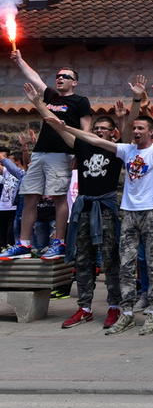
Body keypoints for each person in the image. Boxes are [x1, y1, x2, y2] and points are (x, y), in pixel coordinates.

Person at [51, 105, 153, 335]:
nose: (136, 131)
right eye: (134, 128)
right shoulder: (125, 150)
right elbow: (95, 140)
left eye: (141, 128)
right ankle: (127, 313)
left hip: (152, 213)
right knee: (126, 266)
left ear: (151, 132)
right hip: (128, 213)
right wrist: (67, 127)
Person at [26, 82, 125, 329]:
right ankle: (85, 307)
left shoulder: (118, 150)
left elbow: (125, 126)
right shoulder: (81, 146)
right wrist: (39, 103)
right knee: (83, 259)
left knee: (111, 259)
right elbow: (57, 126)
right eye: (97, 128)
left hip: (106, 209)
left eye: (105, 129)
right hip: (84, 208)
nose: (100, 131)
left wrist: (130, 108)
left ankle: (114, 306)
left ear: (113, 133)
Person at [1, 54, 92, 260]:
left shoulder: (80, 101)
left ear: (74, 82)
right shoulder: (51, 97)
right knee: (30, 196)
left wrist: (81, 151)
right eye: (58, 75)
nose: (60, 78)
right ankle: (23, 244)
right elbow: (35, 79)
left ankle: (59, 242)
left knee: (59, 197)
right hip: (40, 153)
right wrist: (19, 61)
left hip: (62, 154)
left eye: (65, 76)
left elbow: (86, 129)